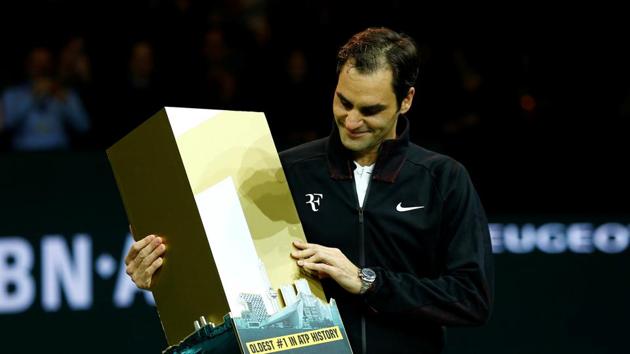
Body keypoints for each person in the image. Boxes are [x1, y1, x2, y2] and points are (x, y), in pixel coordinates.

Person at [124, 27, 494, 354]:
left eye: (370, 110)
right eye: (343, 102)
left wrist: (369, 282)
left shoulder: (444, 179)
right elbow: (225, 281)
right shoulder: (281, 171)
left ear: (407, 100)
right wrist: (164, 277)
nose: (351, 120)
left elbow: (471, 299)